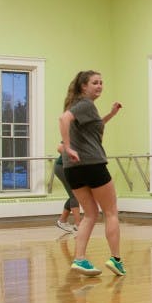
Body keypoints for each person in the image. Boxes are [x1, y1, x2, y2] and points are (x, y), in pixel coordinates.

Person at [58, 70, 123, 276]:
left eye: (101, 83)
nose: (100, 86)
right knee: (111, 212)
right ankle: (116, 258)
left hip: (73, 170)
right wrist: (67, 148)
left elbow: (94, 128)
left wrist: (111, 114)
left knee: (90, 215)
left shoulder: (81, 107)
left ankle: (79, 259)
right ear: (83, 87)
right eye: (95, 83)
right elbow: (63, 119)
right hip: (92, 165)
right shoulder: (84, 104)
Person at [53, 142, 80, 233]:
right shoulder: (75, 133)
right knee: (75, 195)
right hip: (62, 167)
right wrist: (72, 157)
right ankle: (78, 225)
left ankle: (62, 220)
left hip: (72, 168)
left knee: (75, 194)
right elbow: (60, 148)